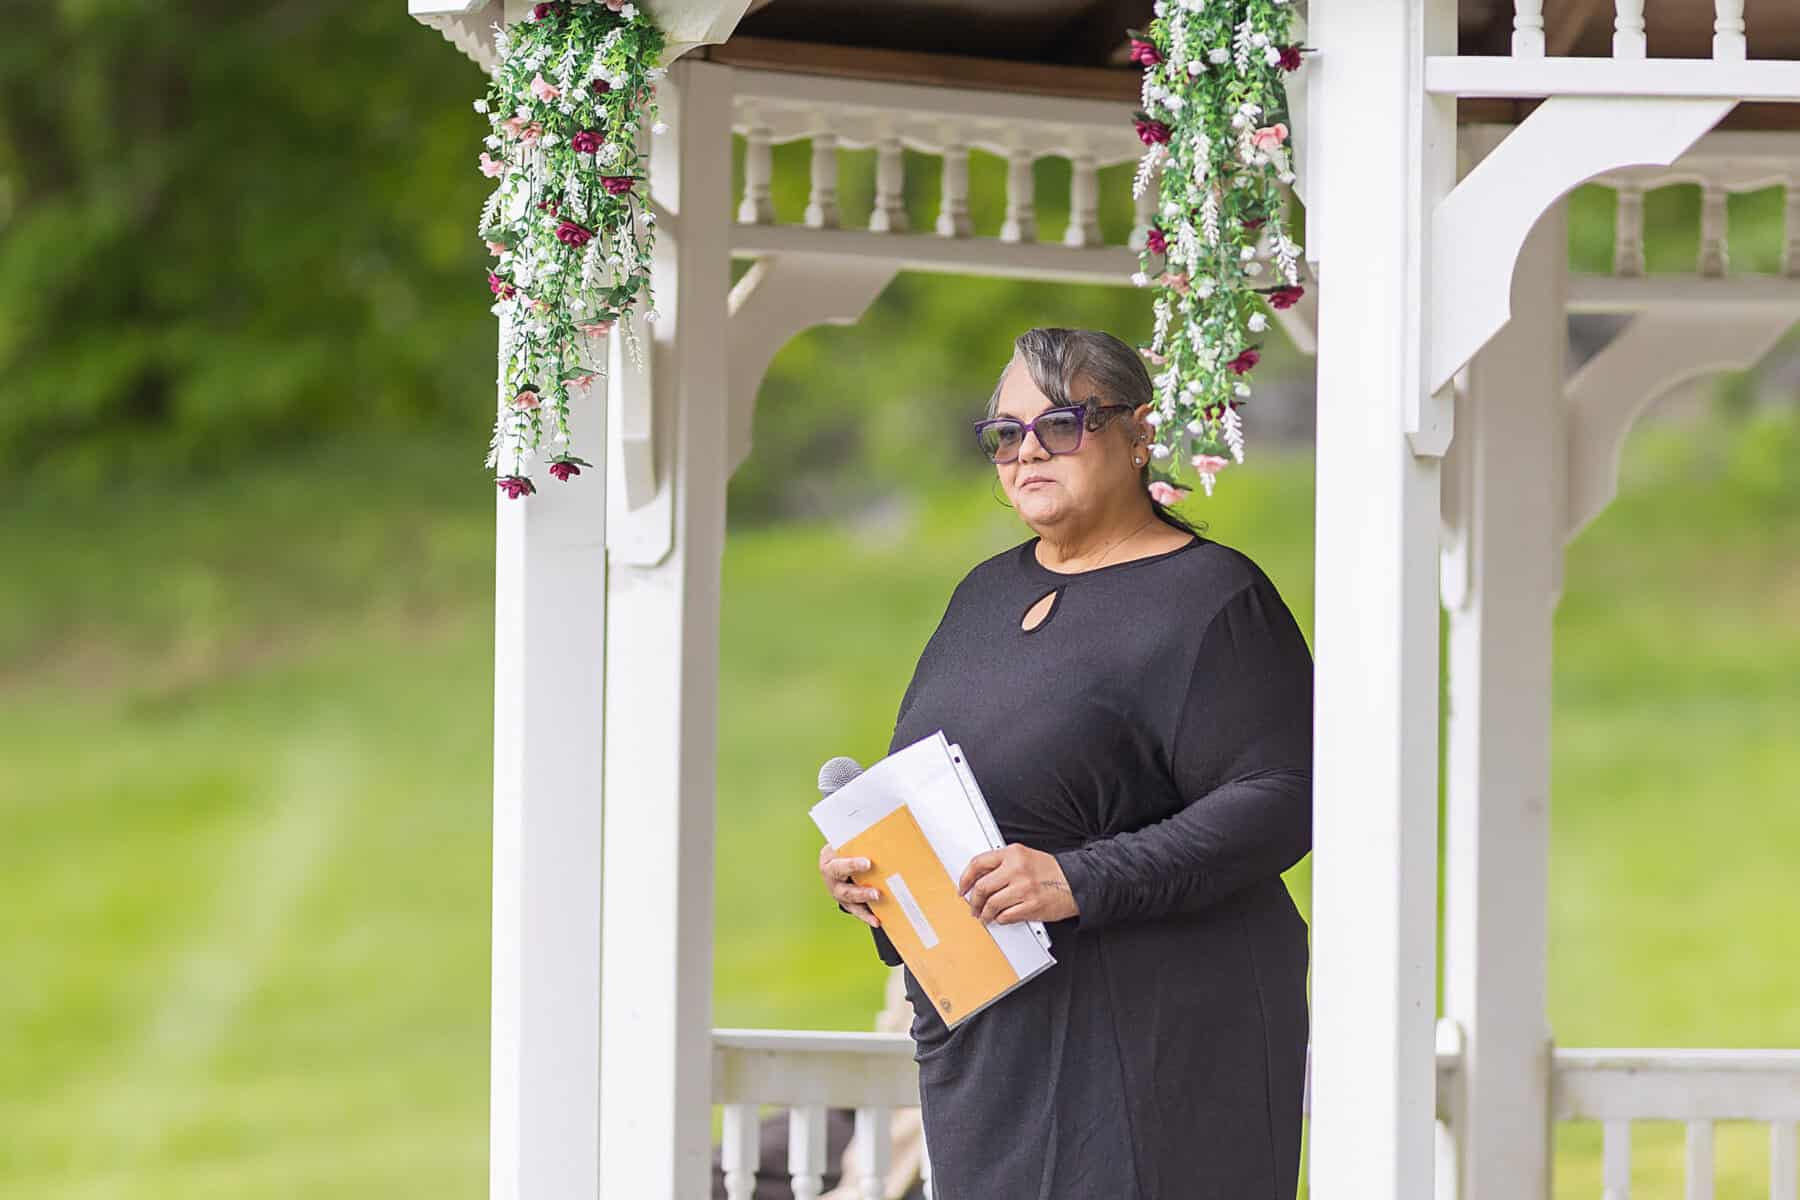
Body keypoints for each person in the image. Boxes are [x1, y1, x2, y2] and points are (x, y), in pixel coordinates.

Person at [816, 327, 1314, 1199]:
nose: (1028, 451)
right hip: (992, 1046)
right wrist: (872, 875)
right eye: (1006, 433)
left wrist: (1081, 878)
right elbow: (939, 788)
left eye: (1063, 423)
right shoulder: (984, 594)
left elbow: (1283, 798)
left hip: (1156, 1044)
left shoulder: (1214, 599)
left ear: (1138, 432)